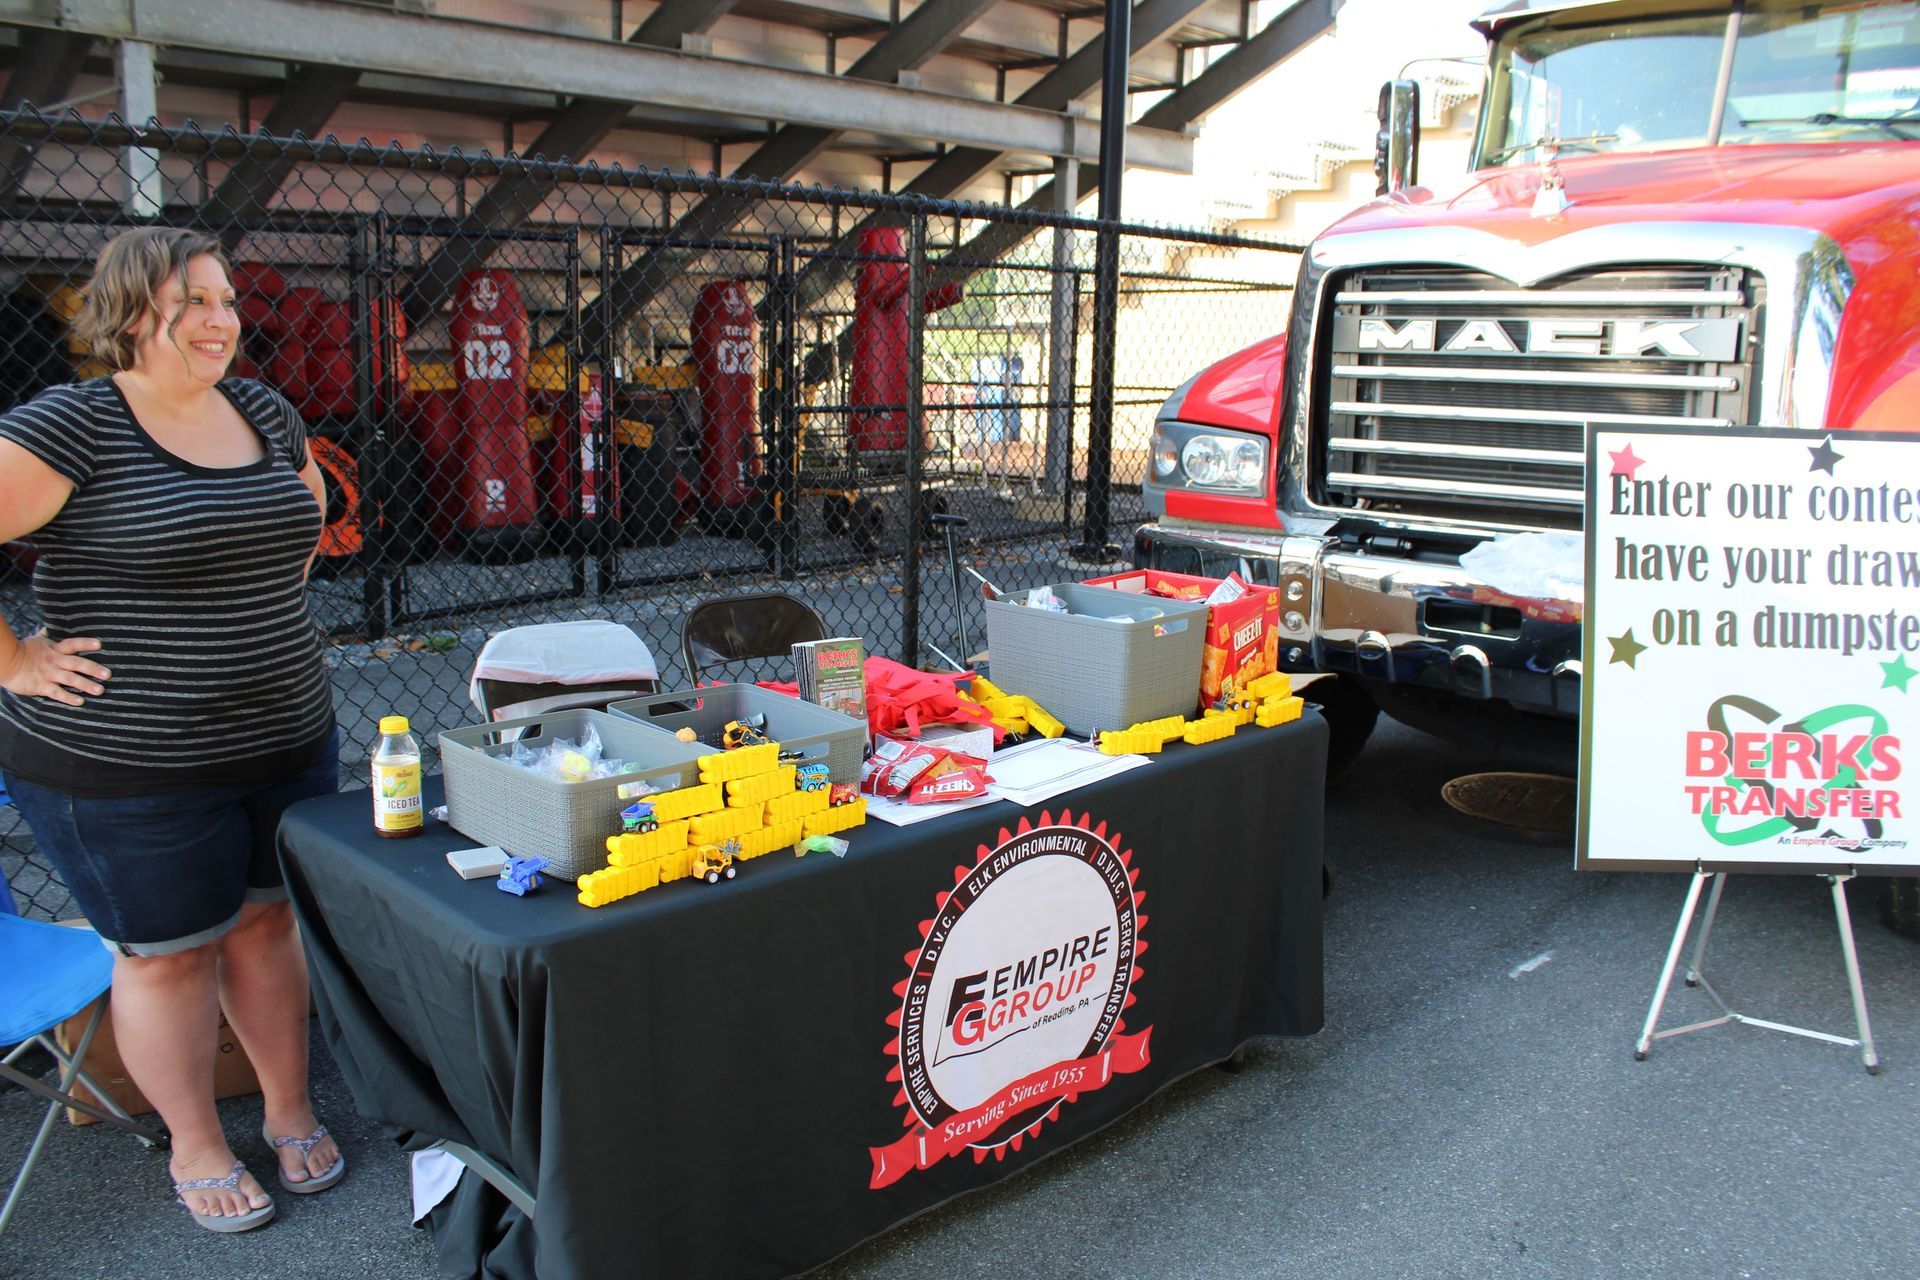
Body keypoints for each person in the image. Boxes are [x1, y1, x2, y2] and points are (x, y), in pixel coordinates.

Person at [0, 227, 344, 1233]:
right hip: (124, 762)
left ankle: (288, 1108)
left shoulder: (262, 409)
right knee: (166, 954)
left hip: (282, 734)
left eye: (228, 299)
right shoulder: (73, 425)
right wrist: (17, 660)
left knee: (267, 922)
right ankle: (194, 1142)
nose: (220, 318)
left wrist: (247, 622)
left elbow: (305, 522)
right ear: (130, 311)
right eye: (192, 298)